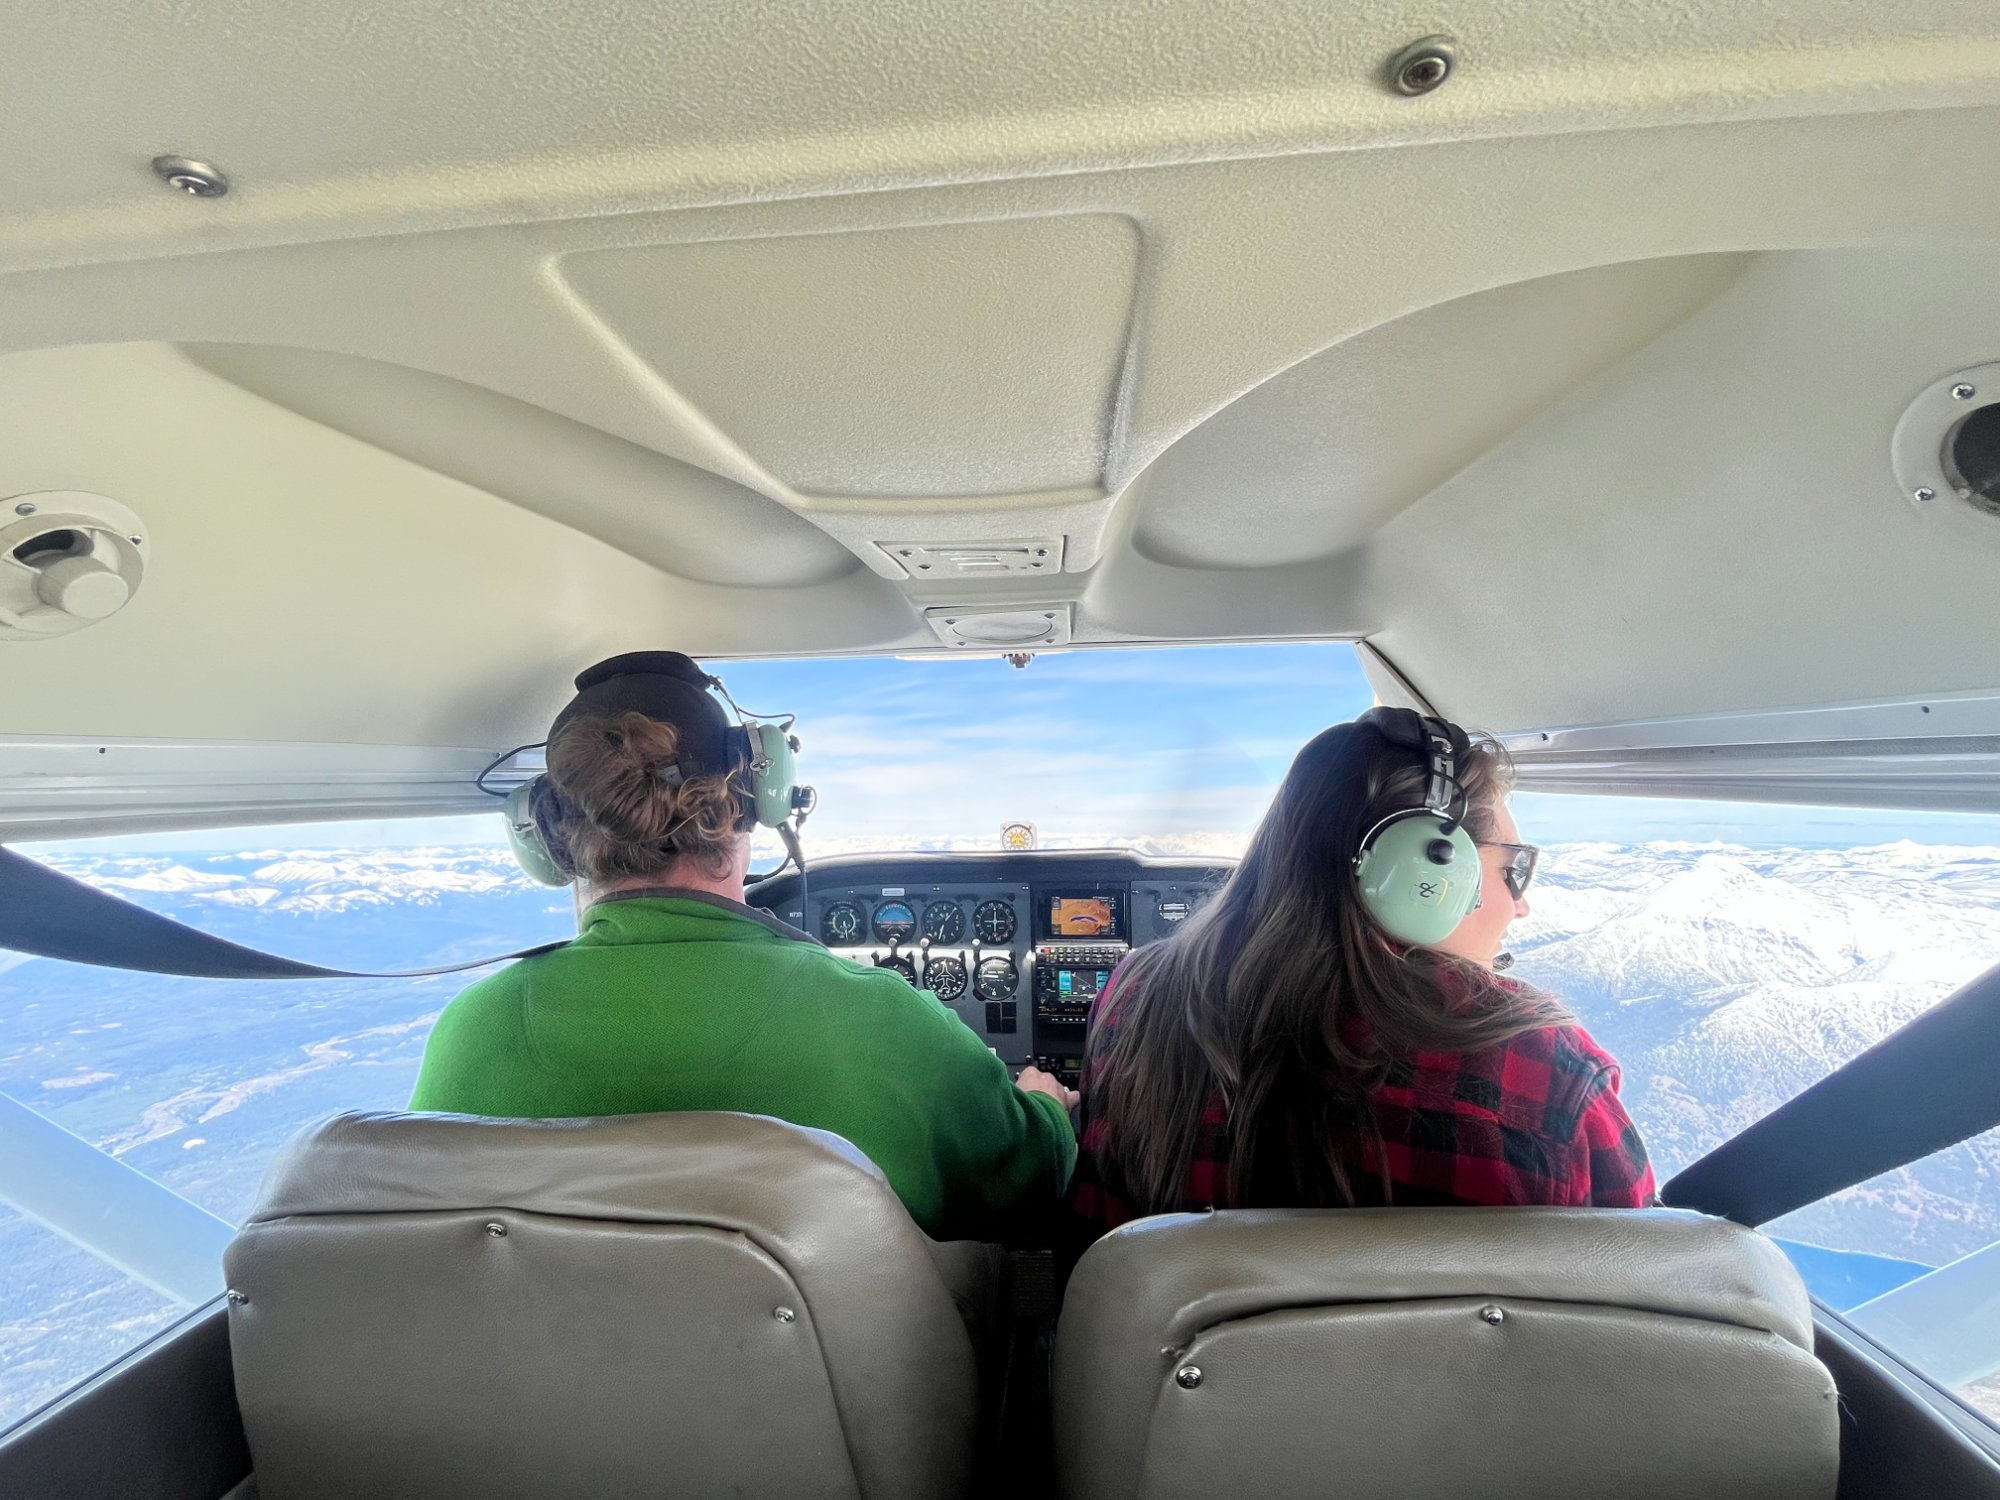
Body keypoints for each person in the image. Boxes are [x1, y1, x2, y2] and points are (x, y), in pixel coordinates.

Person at [411, 651, 1077, 1242]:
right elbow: (1028, 1187)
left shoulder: (473, 1028)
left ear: (544, 834)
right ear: (757, 798)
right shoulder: (881, 1017)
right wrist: (1046, 1104)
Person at [1068, 708, 1653, 1236]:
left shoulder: (1134, 991)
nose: (1520, 904)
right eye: (1514, 869)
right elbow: (1643, 1278)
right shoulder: (1543, 1072)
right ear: (1428, 872)